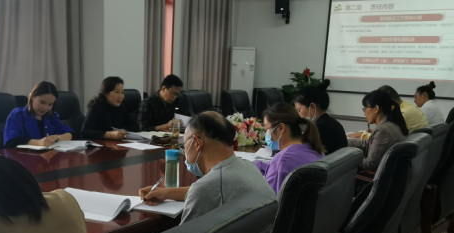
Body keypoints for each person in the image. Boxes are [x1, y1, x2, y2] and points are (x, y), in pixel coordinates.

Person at [137, 111, 275, 222]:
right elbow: (210, 191)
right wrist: (165, 193)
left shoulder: (208, 188)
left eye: (184, 145)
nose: (184, 152)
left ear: (197, 143)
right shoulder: (249, 168)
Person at [256, 103, 325, 194]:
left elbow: (267, 199)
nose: (267, 133)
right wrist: (256, 166)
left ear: (281, 128)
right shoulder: (315, 150)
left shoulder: (282, 160)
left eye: (267, 128)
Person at [348, 89, 408, 171]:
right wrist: (343, 141)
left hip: (373, 176)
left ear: (376, 108)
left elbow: (369, 164)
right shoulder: (392, 124)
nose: (364, 113)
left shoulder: (383, 130)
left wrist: (348, 156)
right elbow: (367, 144)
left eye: (365, 108)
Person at [4, 81, 74, 148]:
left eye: (50, 104)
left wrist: (57, 137)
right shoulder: (17, 115)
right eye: (42, 102)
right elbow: (10, 142)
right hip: (23, 155)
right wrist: (37, 143)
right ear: (32, 97)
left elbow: (69, 134)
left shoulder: (51, 117)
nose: (45, 108)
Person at [292, 80, 347, 154]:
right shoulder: (333, 123)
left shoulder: (319, 129)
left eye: (299, 110)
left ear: (312, 107)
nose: (299, 115)